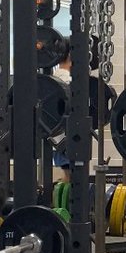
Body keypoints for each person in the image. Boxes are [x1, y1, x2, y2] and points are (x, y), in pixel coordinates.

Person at [52, 36, 72, 183]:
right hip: (66, 138)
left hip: (59, 138)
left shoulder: (52, 78)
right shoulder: (67, 81)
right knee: (70, 179)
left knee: (68, 177)